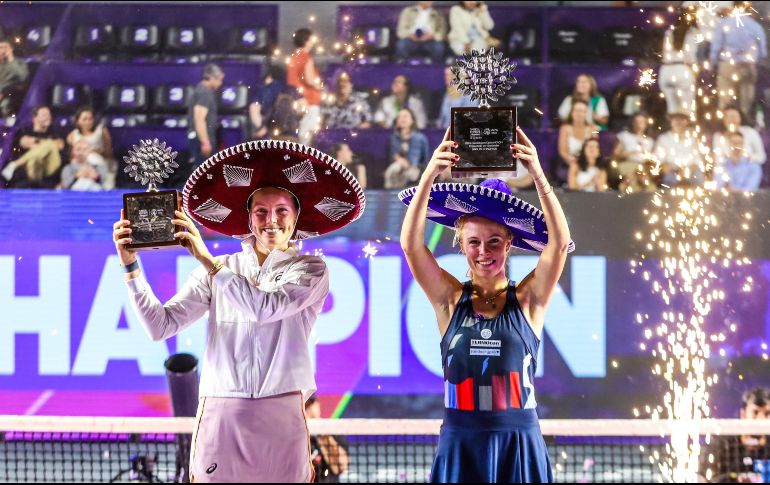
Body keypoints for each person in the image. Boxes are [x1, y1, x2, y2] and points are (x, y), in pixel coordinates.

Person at [112, 139, 366, 482]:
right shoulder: (219, 268)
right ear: (248, 217)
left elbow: (264, 307)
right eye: (261, 211)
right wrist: (131, 269)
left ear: (297, 217)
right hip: (221, 409)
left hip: (282, 411)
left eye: (281, 211)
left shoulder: (311, 270)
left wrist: (207, 260)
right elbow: (160, 326)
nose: (270, 221)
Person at [399, 126, 573, 482]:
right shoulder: (449, 300)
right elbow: (411, 246)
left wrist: (538, 175)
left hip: (519, 445)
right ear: (461, 244)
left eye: (494, 241)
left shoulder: (528, 299)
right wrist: (429, 175)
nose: (484, 252)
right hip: (461, 444)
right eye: (474, 242)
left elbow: (559, 244)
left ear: (509, 243)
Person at [709, 3, 767, 119]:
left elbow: (716, 47)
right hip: (748, 65)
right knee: (746, 100)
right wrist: (758, 62)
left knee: (726, 100)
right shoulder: (754, 26)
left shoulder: (724, 23)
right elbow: (762, 52)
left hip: (727, 65)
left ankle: (727, 125)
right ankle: (744, 122)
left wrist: (713, 63)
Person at [701, 387, 770, 483]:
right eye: (755, 412)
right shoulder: (721, 445)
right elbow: (703, 479)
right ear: (743, 414)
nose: (761, 419)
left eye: (767, 414)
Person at [1, 105, 64, 188]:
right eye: (44, 115)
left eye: (49, 115)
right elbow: (24, 142)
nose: (48, 117)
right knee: (34, 159)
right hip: (30, 169)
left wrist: (39, 143)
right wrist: (47, 146)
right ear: (34, 118)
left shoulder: (54, 132)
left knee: (50, 144)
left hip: (49, 168)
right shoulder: (24, 132)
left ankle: (14, 165)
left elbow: (60, 145)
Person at [659, 7, 699, 115]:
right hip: (682, 70)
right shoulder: (692, 34)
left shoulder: (669, 32)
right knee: (687, 109)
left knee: (672, 109)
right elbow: (691, 58)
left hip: (665, 71)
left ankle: (674, 129)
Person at [288, 28, 324, 145]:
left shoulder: (294, 56)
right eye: (311, 39)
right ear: (306, 40)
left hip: (297, 99)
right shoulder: (306, 57)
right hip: (309, 101)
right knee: (308, 136)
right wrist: (319, 85)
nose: (313, 42)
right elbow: (309, 79)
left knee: (302, 133)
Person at [248, 63, 300, 141]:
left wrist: (261, 128)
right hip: (290, 135)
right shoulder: (291, 90)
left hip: (269, 135)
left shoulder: (262, 91)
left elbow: (254, 111)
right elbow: (302, 108)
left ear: (269, 76)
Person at [66, 106, 115, 187]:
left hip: (100, 163)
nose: (88, 122)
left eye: (90, 119)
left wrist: (94, 152)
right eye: (84, 119)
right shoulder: (72, 136)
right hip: (80, 166)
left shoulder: (101, 131)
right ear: (78, 121)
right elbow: (71, 157)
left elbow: (109, 153)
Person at [305, 395, 350, 483]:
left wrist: (321, 430)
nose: (308, 409)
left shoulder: (333, 431)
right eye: (305, 405)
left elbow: (342, 467)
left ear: (318, 405)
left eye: (311, 404)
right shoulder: (295, 436)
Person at [187, 63, 224, 166]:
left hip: (199, 138)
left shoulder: (200, 89)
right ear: (212, 78)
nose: (220, 83)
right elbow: (199, 119)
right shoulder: (205, 93)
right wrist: (205, 142)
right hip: (201, 140)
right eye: (219, 80)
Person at [654, 112, 702, 187]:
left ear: (686, 122)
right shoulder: (663, 138)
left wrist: (687, 171)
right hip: (672, 170)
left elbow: (697, 161)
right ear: (671, 121)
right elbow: (659, 162)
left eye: (682, 119)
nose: (679, 122)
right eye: (676, 119)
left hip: (690, 170)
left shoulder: (692, 139)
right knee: (668, 179)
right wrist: (674, 169)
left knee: (698, 176)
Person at [556, 99, 598, 183]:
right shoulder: (564, 128)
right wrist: (574, 161)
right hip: (569, 161)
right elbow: (563, 152)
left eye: (582, 111)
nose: (579, 113)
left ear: (586, 113)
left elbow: (595, 148)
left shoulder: (593, 128)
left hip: (588, 162)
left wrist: (586, 162)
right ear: (572, 112)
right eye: (577, 110)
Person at [611, 113, 655, 188]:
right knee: (636, 176)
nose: (638, 125)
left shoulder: (650, 141)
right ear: (632, 123)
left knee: (643, 177)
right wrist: (627, 154)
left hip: (643, 166)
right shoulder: (624, 135)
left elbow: (653, 159)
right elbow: (615, 154)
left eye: (641, 122)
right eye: (636, 122)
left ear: (646, 124)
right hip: (627, 163)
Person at [0, 39, 29, 118]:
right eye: (0, 47)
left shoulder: (20, 62)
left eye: (5, 47)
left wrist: (11, 59)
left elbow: (23, 77)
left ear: (11, 49)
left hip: (10, 96)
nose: (3, 50)